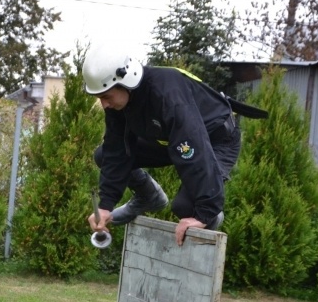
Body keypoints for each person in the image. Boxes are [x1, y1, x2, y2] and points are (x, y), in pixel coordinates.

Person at [84, 44, 266, 246]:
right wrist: (105, 205)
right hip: (175, 138)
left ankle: (211, 218)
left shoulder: (168, 95)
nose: (104, 104)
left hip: (217, 140)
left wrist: (205, 212)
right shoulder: (118, 105)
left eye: (106, 97)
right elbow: (116, 150)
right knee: (103, 155)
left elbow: (193, 150)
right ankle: (149, 198)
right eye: (100, 98)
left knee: (185, 207)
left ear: (125, 82)